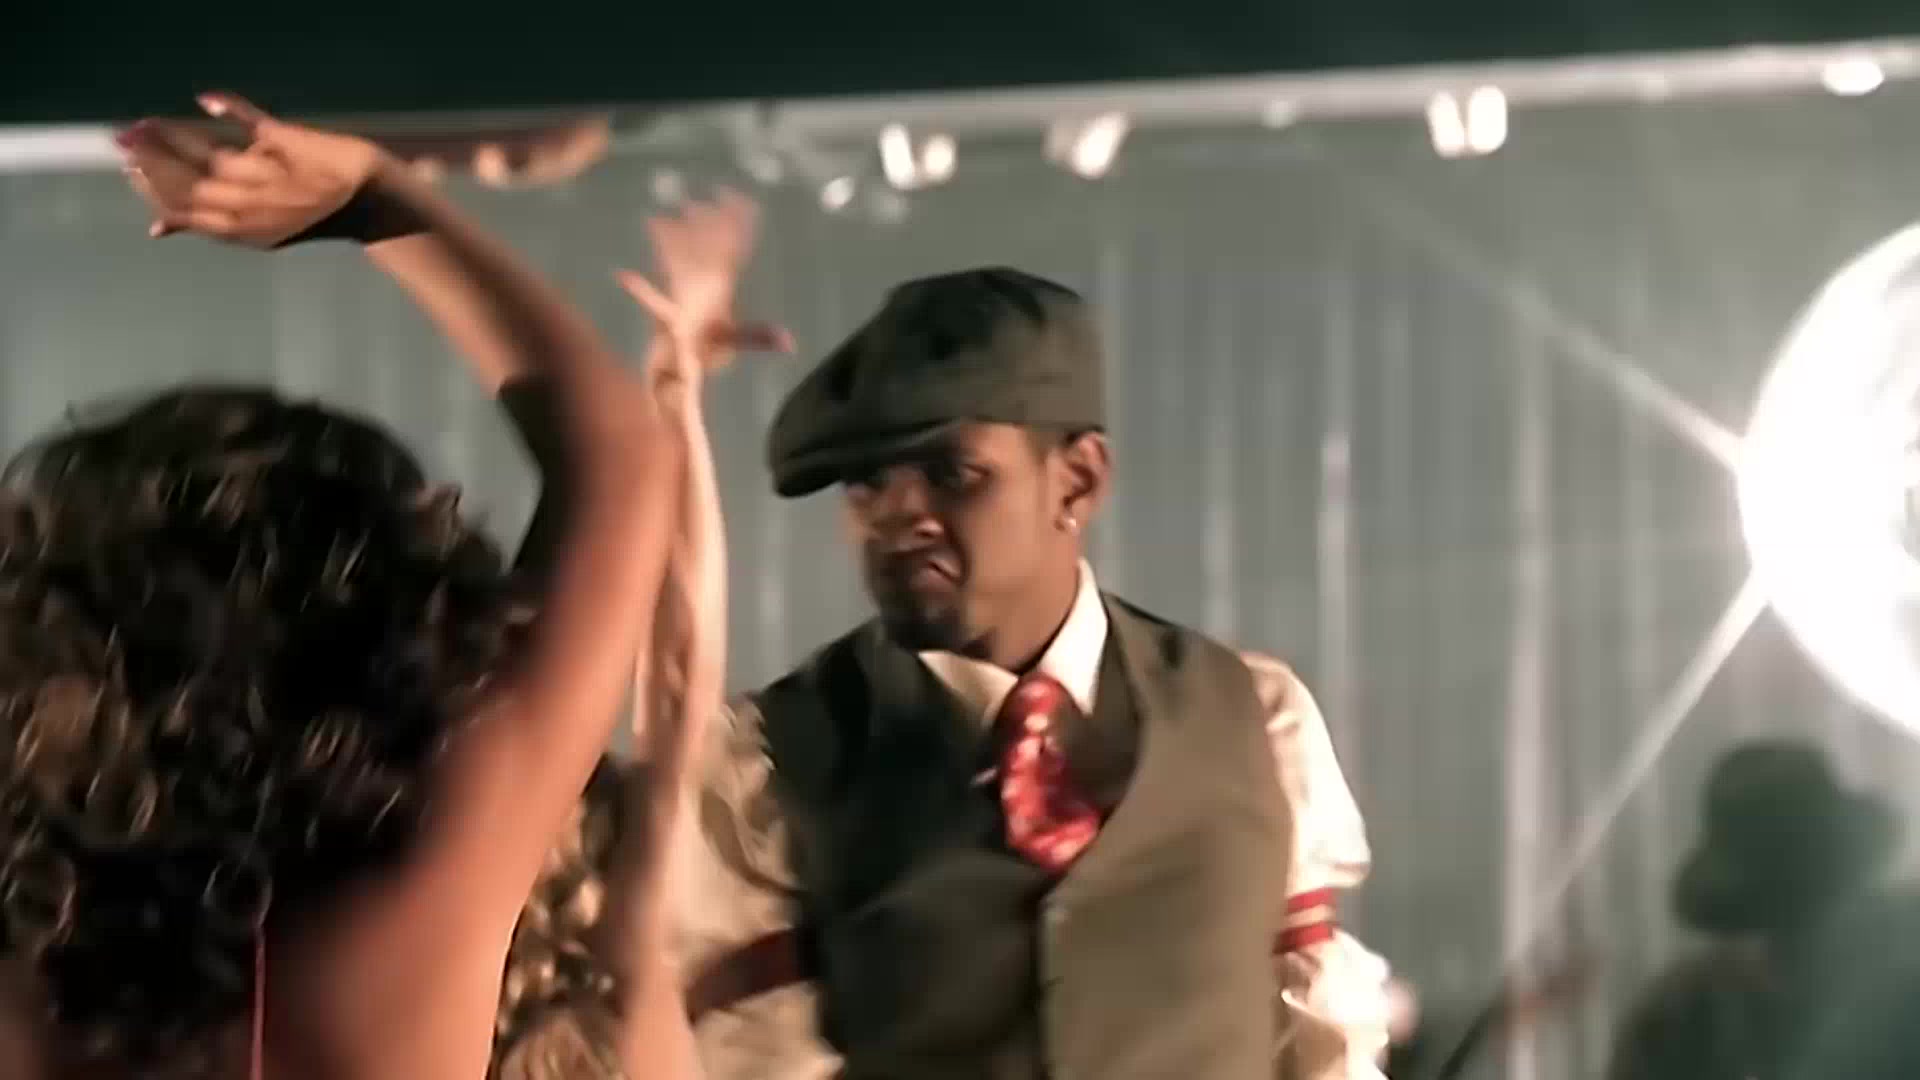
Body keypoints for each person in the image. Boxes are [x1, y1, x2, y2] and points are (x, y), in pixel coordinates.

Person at [0, 92, 746, 1079]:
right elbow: (618, 457)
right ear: (389, 610)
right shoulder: (433, 886)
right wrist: (369, 199)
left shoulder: (33, 967)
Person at [662, 267, 1394, 1078]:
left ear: (1077, 479)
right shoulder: (768, 766)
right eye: (867, 483)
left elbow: (1322, 1042)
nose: (897, 516)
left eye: (953, 473)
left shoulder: (1255, 717)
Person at [1606, 738, 1901, 1080]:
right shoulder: (1677, 1022)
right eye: (1783, 921)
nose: (1806, 943)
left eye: (1821, 908)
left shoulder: (1901, 991)